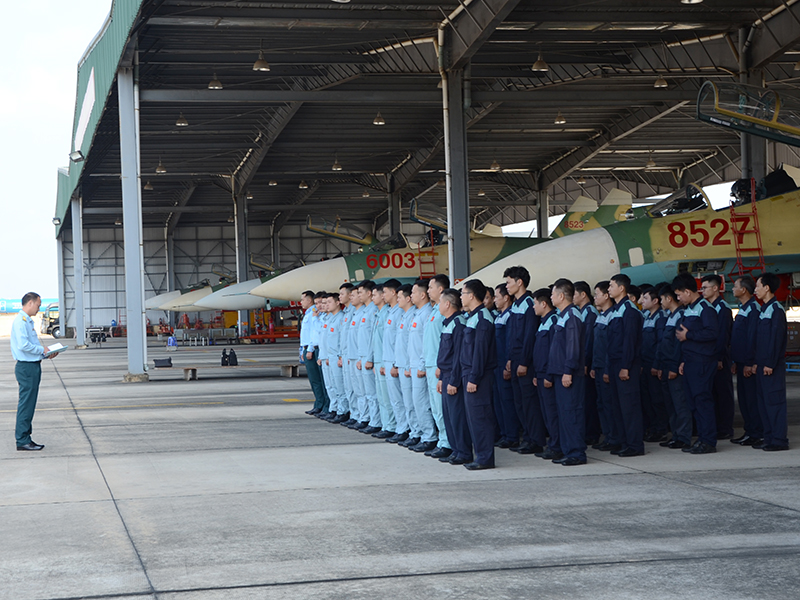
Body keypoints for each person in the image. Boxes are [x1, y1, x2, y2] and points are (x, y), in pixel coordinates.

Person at [674, 272, 719, 454]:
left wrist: (689, 335)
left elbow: (712, 333)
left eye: (679, 294)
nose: (678, 298)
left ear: (687, 291)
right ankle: (701, 438)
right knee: (693, 403)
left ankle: (708, 441)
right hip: (691, 361)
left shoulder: (704, 309)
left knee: (702, 401)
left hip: (702, 362)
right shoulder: (689, 309)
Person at [503, 266, 546, 454]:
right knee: (520, 403)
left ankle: (535, 439)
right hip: (514, 360)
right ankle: (527, 436)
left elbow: (529, 336)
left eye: (508, 282)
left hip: (524, 363)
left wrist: (524, 362)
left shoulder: (529, 303)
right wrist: (510, 359)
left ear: (519, 282)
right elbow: (512, 336)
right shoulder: (515, 305)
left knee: (529, 403)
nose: (506, 286)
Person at [459, 280, 498, 470]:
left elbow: (480, 352)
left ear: (472, 295)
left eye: (463, 293)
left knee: (480, 417)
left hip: (478, 376)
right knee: (473, 418)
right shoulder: (472, 317)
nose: (461, 297)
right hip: (469, 373)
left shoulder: (483, 318)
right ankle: (479, 455)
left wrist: (474, 378)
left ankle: (485, 458)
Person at [548, 279, 587, 466]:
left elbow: (573, 346)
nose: (551, 297)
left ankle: (576, 453)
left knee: (572, 413)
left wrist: (568, 370)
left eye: (553, 294)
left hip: (568, 373)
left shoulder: (572, 315)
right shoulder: (562, 315)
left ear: (561, 296)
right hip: (559, 372)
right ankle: (567, 450)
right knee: (564, 414)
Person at [606, 274, 645, 457]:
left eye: (611, 286)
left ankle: (634, 445)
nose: (609, 289)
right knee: (618, 406)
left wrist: (626, 366)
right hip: (614, 363)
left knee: (629, 407)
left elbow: (630, 341)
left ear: (622, 288)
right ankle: (623, 442)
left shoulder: (629, 309)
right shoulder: (616, 309)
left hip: (625, 364)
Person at [12, 292, 53, 451]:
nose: (39, 308)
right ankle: (22, 440)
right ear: (30, 303)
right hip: (27, 367)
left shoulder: (26, 321)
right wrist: (42, 349)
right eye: (38, 304)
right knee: (26, 405)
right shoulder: (21, 322)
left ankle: (25, 437)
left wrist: (45, 353)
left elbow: (30, 346)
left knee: (29, 404)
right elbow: (23, 346)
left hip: (31, 365)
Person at [753, 273, 789, 451]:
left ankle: (779, 440)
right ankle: (769, 437)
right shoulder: (764, 310)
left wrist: (770, 363)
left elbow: (776, 339)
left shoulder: (776, 310)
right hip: (761, 365)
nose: (755, 290)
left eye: (758, 286)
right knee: (763, 403)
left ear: (767, 288)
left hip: (771, 366)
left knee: (774, 403)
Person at [654, 283, 692, 449]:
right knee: (671, 404)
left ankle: (683, 436)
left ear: (668, 298)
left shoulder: (680, 315)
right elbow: (663, 344)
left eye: (662, 299)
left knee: (680, 403)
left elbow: (678, 346)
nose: (661, 302)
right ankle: (676, 434)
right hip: (666, 365)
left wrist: (674, 367)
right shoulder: (670, 316)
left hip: (673, 367)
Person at [437, 289, 471, 465]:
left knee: (457, 416)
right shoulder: (447, 323)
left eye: (441, 302)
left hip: (453, 375)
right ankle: (456, 450)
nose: (439, 305)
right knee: (449, 416)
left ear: (448, 304)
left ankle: (464, 451)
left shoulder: (458, 323)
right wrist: (442, 377)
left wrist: (453, 380)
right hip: (446, 375)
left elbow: (458, 355)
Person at [701, 274, 735, 440]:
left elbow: (722, 336)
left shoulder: (722, 308)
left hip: (719, 356)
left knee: (723, 393)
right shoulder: (709, 307)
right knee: (712, 392)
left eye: (705, 287)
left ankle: (726, 427)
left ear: (715, 288)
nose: (702, 291)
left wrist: (720, 358)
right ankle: (717, 425)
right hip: (710, 357)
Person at [729, 276, 763, 446]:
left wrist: (750, 362)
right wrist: (736, 361)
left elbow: (752, 338)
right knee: (743, 400)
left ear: (744, 290)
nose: (733, 289)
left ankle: (756, 432)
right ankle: (749, 431)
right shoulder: (743, 308)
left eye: (735, 286)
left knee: (751, 399)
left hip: (748, 363)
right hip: (741, 362)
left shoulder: (753, 309)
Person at [589, 281, 620, 452]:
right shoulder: (600, 315)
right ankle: (607, 435)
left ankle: (614, 437)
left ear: (606, 296)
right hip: (599, 366)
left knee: (610, 404)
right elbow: (597, 345)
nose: (595, 298)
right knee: (601, 403)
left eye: (597, 294)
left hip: (607, 367)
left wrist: (607, 369)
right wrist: (594, 365)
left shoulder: (612, 315)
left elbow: (611, 346)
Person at [407, 280, 437, 453]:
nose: (411, 295)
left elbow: (427, 344)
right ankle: (420, 434)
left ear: (422, 294)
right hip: (413, 364)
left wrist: (421, 365)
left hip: (421, 366)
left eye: (413, 292)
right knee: (416, 403)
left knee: (422, 403)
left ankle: (429, 437)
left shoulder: (427, 314)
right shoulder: (418, 314)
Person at [532, 288, 561, 460]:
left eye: (535, 303)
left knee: (552, 412)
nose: (534, 307)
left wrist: (549, 375)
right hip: (541, 373)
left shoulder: (553, 321)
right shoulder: (543, 321)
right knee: (546, 412)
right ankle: (553, 444)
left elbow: (553, 351)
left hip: (548, 374)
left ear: (544, 304)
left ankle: (557, 445)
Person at [425, 274, 452, 459]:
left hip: (438, 365)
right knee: (435, 407)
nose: (428, 291)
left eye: (431, 287)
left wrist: (441, 365)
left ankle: (448, 443)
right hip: (429, 363)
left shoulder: (444, 314)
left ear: (440, 289)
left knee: (442, 407)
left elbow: (446, 343)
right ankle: (442, 440)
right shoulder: (434, 311)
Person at [493, 283, 521, 449]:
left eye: (497, 296)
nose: (495, 300)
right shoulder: (499, 315)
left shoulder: (510, 315)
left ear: (506, 297)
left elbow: (510, 341)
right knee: (499, 402)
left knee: (507, 401)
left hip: (505, 363)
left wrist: (508, 363)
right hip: (496, 364)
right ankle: (504, 433)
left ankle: (512, 435)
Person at [382, 279, 410, 444]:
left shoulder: (400, 313)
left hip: (397, 362)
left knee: (401, 399)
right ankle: (400, 427)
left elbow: (400, 343)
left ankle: (403, 429)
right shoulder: (392, 311)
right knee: (394, 399)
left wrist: (394, 364)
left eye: (386, 292)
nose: (384, 295)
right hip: (390, 360)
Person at [640, 285, 668, 442]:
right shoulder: (646, 316)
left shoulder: (660, 317)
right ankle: (651, 427)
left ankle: (661, 429)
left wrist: (656, 365)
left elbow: (660, 343)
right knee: (647, 399)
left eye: (645, 298)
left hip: (654, 364)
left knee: (657, 399)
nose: (642, 301)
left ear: (655, 300)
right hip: (644, 364)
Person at [574, 281, 601, 445]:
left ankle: (592, 433)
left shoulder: (589, 312)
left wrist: (586, 361)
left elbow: (589, 340)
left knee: (589, 400)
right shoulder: (580, 312)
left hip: (587, 363)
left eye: (575, 294)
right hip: (582, 362)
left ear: (583, 294)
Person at [395, 284, 421, 448]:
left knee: (418, 404)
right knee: (408, 403)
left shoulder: (415, 315)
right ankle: (414, 432)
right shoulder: (405, 316)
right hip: (405, 364)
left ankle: (421, 434)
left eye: (400, 297)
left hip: (413, 365)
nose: (398, 300)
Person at [370, 285, 396, 439]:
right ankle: (387, 425)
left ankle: (393, 426)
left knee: (391, 398)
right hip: (380, 359)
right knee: (383, 397)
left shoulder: (388, 313)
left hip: (388, 360)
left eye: (376, 294)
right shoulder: (380, 313)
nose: (374, 297)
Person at [356, 280, 381, 434]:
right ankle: (371, 419)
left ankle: (376, 422)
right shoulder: (366, 310)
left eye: (360, 292)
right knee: (365, 392)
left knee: (372, 394)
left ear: (369, 293)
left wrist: (369, 358)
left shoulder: (373, 311)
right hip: (363, 357)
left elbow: (373, 338)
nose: (358, 295)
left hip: (369, 359)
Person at [299, 291, 328, 413]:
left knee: (319, 380)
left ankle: (323, 405)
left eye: (302, 299)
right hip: (307, 348)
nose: (301, 302)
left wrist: (309, 349)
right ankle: (319, 404)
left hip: (313, 349)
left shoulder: (314, 314)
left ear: (309, 300)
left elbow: (314, 334)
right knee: (314, 380)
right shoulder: (309, 314)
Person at [320, 293, 346, 422]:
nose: (326, 305)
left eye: (329, 302)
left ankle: (342, 411)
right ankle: (334, 408)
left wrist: (340, 356)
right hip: (328, 356)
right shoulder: (329, 318)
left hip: (336, 356)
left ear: (337, 303)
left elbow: (341, 340)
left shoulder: (340, 318)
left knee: (339, 386)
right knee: (330, 386)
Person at [332, 283, 354, 424]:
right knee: (349, 389)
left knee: (364, 393)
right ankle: (356, 416)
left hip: (357, 358)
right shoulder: (347, 313)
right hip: (346, 356)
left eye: (342, 294)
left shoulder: (356, 312)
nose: (340, 297)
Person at [345, 284, 366, 429]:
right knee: (355, 390)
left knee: (365, 392)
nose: (352, 297)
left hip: (361, 358)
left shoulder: (366, 313)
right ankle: (358, 415)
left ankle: (366, 418)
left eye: (356, 294)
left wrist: (363, 357)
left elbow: (366, 340)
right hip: (351, 356)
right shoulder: (354, 313)